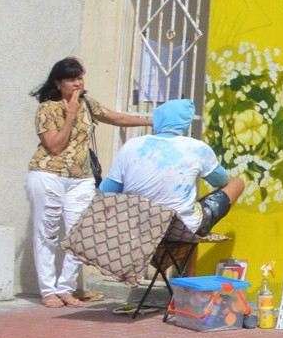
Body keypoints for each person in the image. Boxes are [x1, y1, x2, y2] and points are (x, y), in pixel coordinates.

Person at [26, 57, 150, 308]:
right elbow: (54, 146)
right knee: (47, 233)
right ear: (58, 82)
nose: (77, 83)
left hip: (81, 178)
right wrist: (70, 114)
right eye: (71, 79)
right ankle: (48, 290)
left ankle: (66, 288)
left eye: (80, 77)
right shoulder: (47, 109)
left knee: (81, 235)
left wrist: (151, 122)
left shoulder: (87, 103)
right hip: (48, 175)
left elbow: (114, 117)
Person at [98, 98, 244, 236]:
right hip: (182, 228)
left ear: (157, 119)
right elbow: (221, 181)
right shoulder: (198, 148)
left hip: (137, 226)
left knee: (193, 212)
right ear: (186, 123)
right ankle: (187, 259)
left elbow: (107, 190)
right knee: (235, 183)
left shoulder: (131, 145)